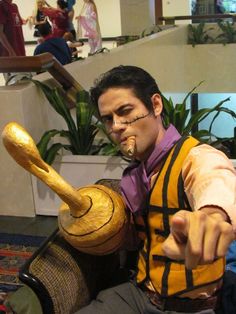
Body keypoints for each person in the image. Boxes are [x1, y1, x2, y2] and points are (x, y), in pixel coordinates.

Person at [74, 65, 236, 314]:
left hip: (192, 307)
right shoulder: (135, 174)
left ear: (156, 105)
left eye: (125, 111)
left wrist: (212, 217)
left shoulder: (196, 157)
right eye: (108, 119)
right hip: (140, 294)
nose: (116, 127)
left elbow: (217, 182)